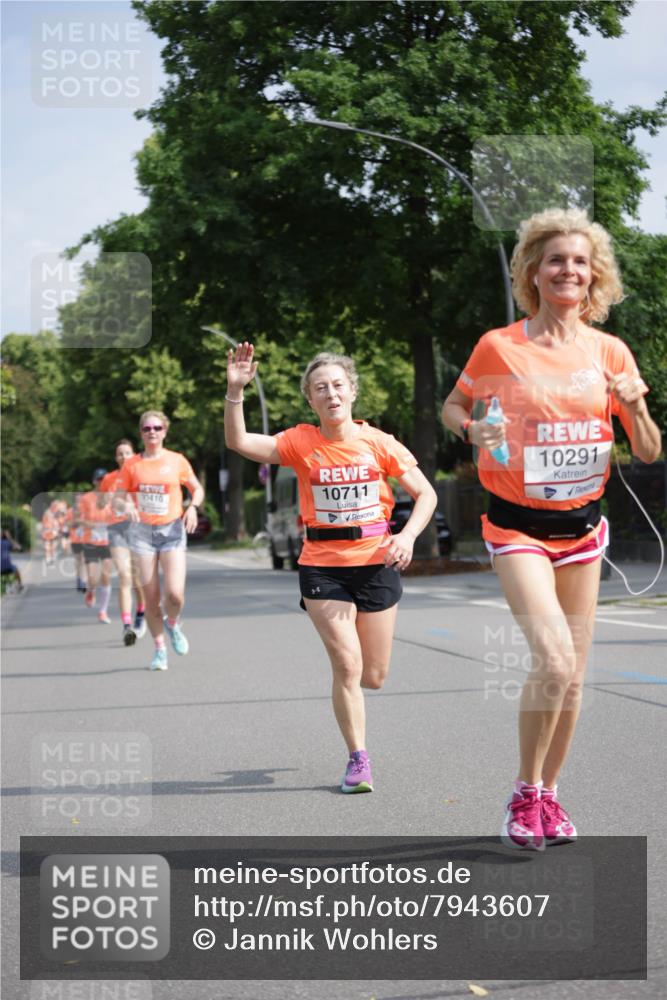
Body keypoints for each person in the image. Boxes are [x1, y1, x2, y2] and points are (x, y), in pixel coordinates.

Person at [442, 207, 662, 849]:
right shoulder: (499, 346)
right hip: (516, 528)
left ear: (594, 277)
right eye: (556, 260)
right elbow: (455, 402)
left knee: (574, 676)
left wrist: (634, 402)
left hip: (583, 531)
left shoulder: (609, 351)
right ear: (533, 273)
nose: (569, 269)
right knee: (555, 657)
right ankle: (523, 789)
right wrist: (470, 427)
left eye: (580, 261)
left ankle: (549, 795)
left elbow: (647, 450)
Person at [225, 344, 437, 793]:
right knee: (347, 664)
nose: (331, 394)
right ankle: (358, 759)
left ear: (352, 392)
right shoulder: (301, 442)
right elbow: (240, 443)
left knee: (373, 675)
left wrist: (407, 536)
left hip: (376, 562)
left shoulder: (379, 442)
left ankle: (355, 706)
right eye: (321, 388)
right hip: (322, 567)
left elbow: (427, 495)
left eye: (338, 385)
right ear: (310, 399)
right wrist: (235, 392)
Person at [117, 410, 204, 671]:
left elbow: (197, 489)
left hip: (172, 531)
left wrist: (192, 507)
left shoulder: (177, 461)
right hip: (142, 534)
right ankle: (159, 649)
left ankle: (173, 624)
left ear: (165, 431)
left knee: (175, 595)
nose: (152, 432)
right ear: (141, 433)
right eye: (147, 429)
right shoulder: (132, 464)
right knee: (151, 598)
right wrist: (126, 506)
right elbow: (119, 496)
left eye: (156, 427)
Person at [99, 440, 147, 647]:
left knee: (138, 579)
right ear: (116, 457)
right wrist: (108, 498)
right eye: (120, 454)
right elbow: (100, 502)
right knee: (124, 575)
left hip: (138, 528)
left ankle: (140, 614)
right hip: (116, 528)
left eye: (127, 453)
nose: (124, 456)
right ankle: (127, 626)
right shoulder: (109, 478)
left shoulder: (141, 473)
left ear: (133, 454)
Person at [78, 471, 114, 623]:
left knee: (106, 576)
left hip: (107, 541)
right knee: (93, 577)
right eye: (99, 480)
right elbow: (80, 519)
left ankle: (103, 611)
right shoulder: (86, 498)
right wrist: (95, 526)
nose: (102, 482)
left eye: (104, 479)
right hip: (91, 541)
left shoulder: (111, 498)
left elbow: (117, 517)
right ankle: (91, 591)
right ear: (94, 481)